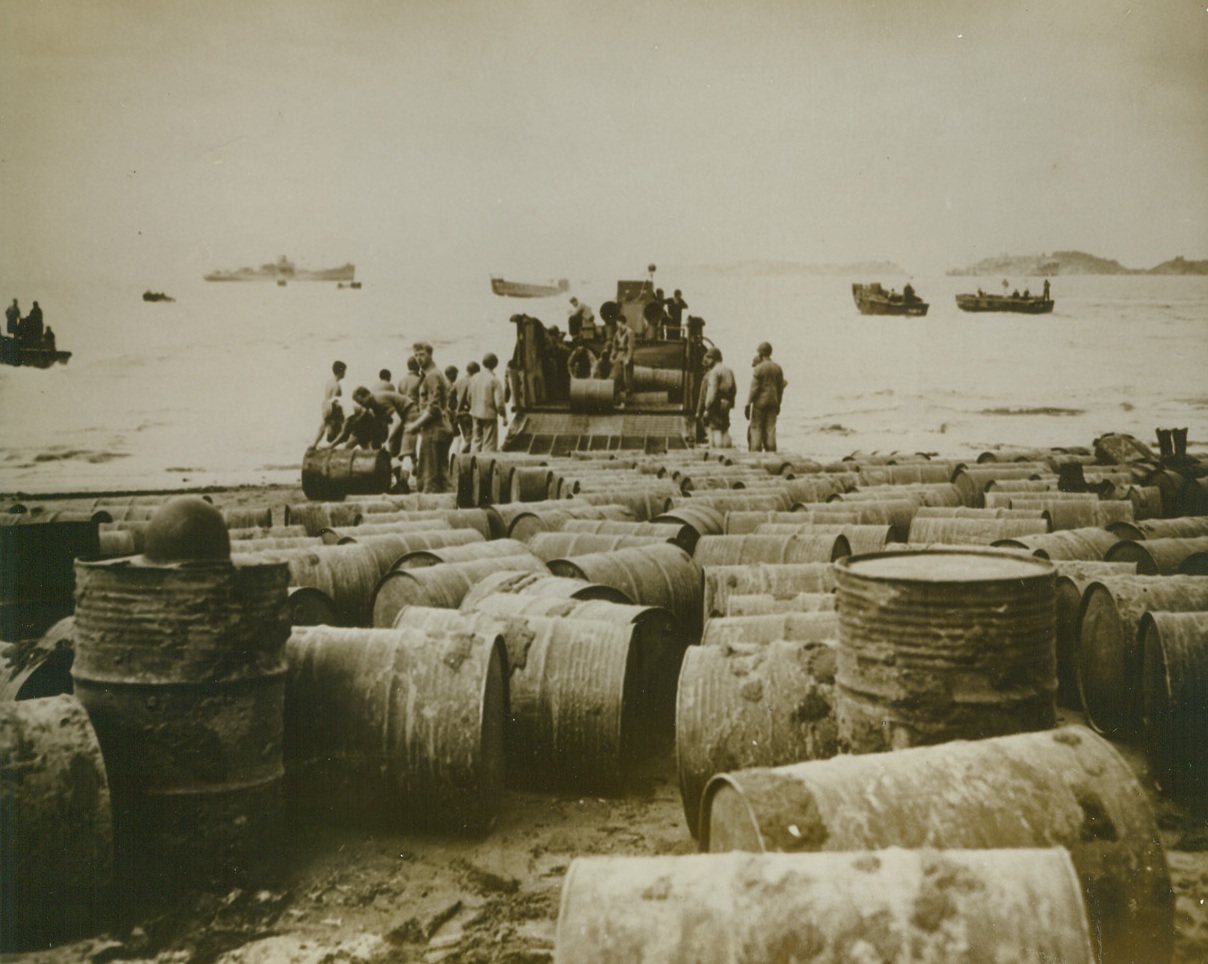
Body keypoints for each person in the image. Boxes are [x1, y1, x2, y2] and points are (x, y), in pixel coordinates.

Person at [405, 342, 454, 493]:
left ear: (430, 355)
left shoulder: (432, 376)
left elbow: (434, 408)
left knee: (430, 479)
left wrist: (415, 425)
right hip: (436, 430)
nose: (418, 358)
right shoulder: (432, 374)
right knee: (441, 477)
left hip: (435, 431)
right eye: (416, 355)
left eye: (422, 354)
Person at [746, 341, 786, 453]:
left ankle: (755, 452)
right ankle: (772, 453)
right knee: (770, 429)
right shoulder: (778, 368)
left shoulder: (759, 368)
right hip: (773, 402)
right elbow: (780, 389)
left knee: (756, 428)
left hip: (760, 403)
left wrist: (748, 404)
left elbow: (754, 389)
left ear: (760, 354)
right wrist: (779, 404)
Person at [468, 352, 508, 453]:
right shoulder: (494, 380)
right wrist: (503, 416)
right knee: (489, 444)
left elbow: (469, 397)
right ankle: (485, 465)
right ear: (495, 365)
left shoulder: (474, 378)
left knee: (476, 441)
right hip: (489, 415)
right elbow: (499, 403)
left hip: (475, 413)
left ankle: (473, 464)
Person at [698, 347, 737, 448]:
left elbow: (712, 392)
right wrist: (730, 402)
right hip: (726, 403)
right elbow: (734, 389)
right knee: (724, 429)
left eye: (709, 358)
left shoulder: (714, 372)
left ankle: (718, 452)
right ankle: (727, 451)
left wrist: (707, 407)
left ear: (713, 359)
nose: (707, 361)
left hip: (716, 404)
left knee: (715, 430)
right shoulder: (728, 370)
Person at [312, 360, 346, 447]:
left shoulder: (329, 382)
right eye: (344, 371)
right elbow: (334, 401)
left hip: (325, 406)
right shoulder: (337, 385)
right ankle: (330, 448)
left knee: (323, 427)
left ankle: (314, 444)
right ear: (340, 371)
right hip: (331, 408)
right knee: (343, 430)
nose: (345, 373)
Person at [451, 360, 478, 453]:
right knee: (471, 438)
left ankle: (463, 458)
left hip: (459, 413)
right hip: (468, 413)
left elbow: (451, 395)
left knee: (467, 437)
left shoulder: (459, 381)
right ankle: (461, 457)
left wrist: (455, 408)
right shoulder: (473, 381)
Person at [611, 320, 634, 403]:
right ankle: (616, 398)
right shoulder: (617, 333)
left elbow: (631, 346)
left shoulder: (629, 332)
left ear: (622, 322)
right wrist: (612, 356)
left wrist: (628, 358)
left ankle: (629, 399)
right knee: (616, 376)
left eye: (618, 323)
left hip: (626, 354)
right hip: (619, 355)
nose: (617, 325)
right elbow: (614, 345)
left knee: (627, 378)